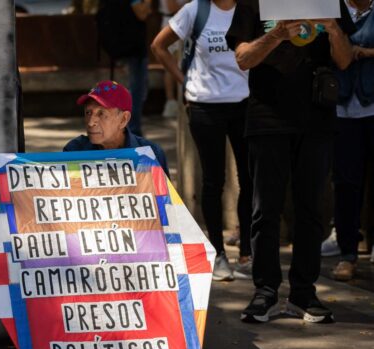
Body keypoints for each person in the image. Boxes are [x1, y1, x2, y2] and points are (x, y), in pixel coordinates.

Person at [226, 0, 354, 323]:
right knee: (265, 210)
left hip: (316, 120)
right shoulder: (253, 3)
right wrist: (277, 35)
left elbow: (344, 60)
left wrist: (335, 28)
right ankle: (266, 290)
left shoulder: (328, 1)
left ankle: (304, 292)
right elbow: (243, 58)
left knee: (311, 209)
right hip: (267, 119)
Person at [151, 0, 253, 282]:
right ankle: (218, 254)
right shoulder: (195, 10)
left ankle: (247, 253)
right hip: (205, 106)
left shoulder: (248, 9)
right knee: (213, 181)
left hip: (244, 105)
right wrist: (183, 80)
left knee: (249, 178)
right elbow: (159, 46)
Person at [328, 0, 374, 281]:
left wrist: (365, 51)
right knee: (345, 184)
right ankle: (348, 254)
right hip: (342, 109)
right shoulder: (333, 9)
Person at [64, 80, 169, 174]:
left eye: (102, 114)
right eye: (88, 112)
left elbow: (163, 195)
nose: (91, 122)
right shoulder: (75, 150)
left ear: (123, 119)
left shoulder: (151, 154)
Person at [96, 0, 153, 136]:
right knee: (137, 90)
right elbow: (142, 14)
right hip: (133, 48)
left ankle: (122, 126)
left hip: (118, 47)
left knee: (135, 88)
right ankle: (132, 128)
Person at [158, 0, 189, 118]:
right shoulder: (191, 10)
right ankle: (171, 100)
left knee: (181, 61)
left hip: (182, 21)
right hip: (172, 22)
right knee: (172, 62)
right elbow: (172, 7)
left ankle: (181, 98)